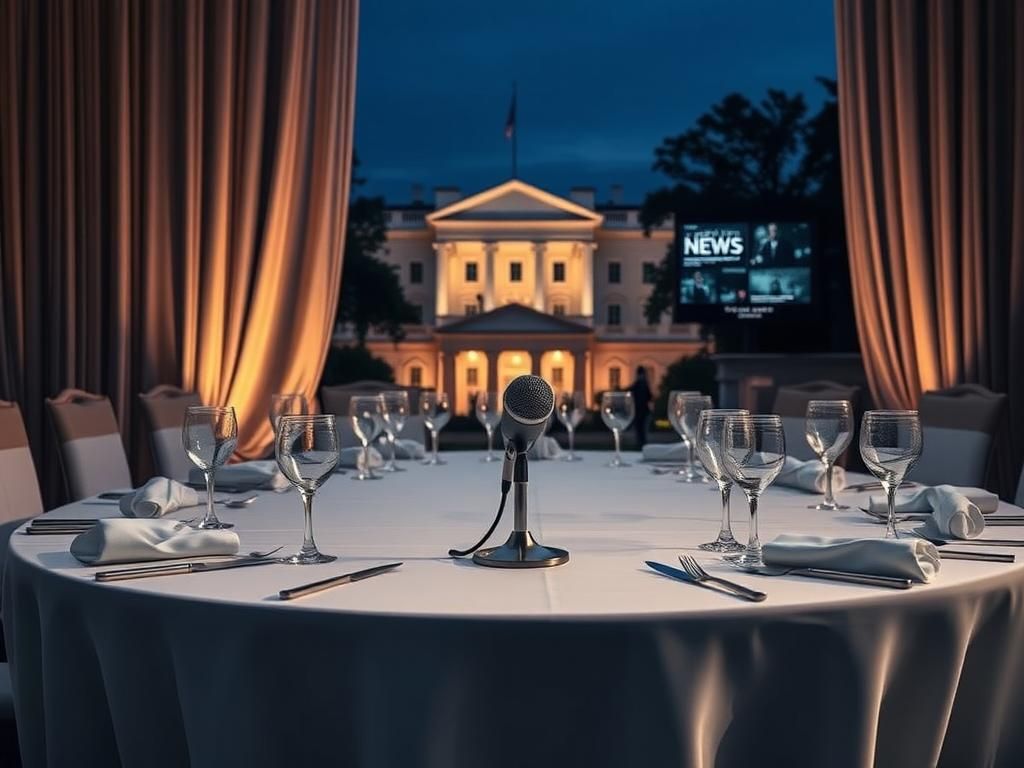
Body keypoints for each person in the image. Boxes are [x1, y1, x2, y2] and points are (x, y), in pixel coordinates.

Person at [628, 366, 653, 448]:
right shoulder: (641, 385)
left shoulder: (641, 385)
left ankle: (642, 444)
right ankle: (641, 444)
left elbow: (649, 397)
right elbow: (650, 397)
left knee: (641, 430)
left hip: (642, 412)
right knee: (640, 430)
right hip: (640, 411)